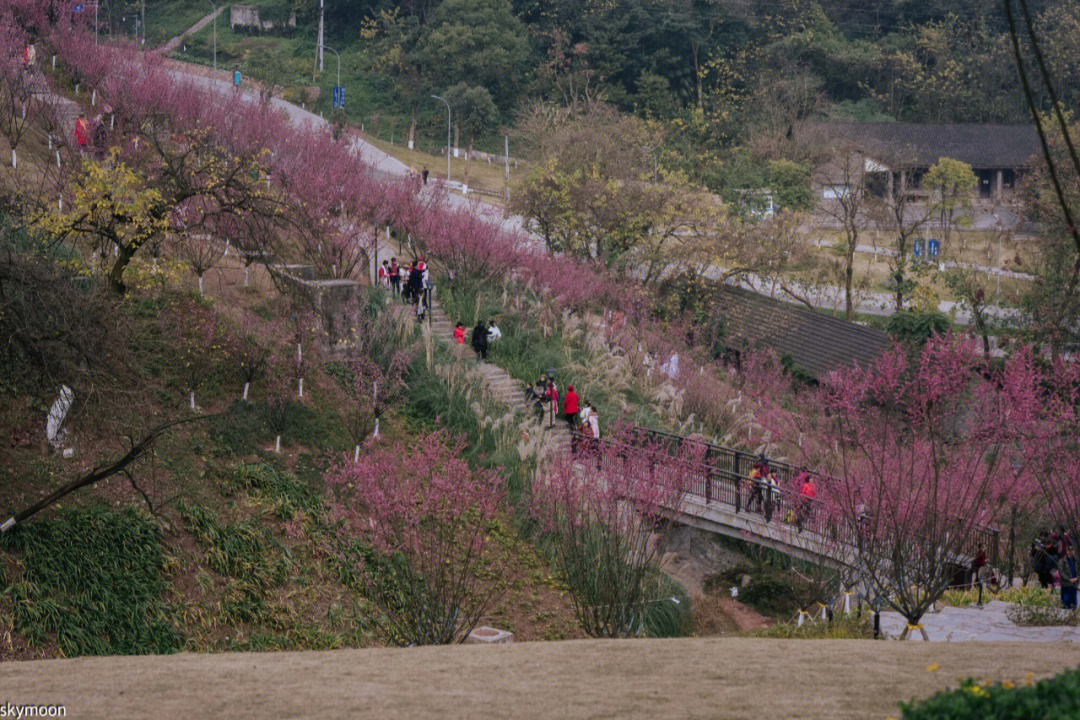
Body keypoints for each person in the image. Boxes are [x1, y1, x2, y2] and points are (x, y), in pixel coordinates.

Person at [1059, 545, 1077, 610]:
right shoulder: (1062, 561)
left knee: (1074, 604)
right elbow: (1061, 572)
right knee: (1065, 604)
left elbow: (1077, 570)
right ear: (1067, 551)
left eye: (1072, 550)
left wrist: (1076, 578)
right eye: (1069, 550)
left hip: (1074, 585)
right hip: (1065, 585)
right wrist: (1069, 579)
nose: (1070, 552)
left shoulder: (1075, 560)